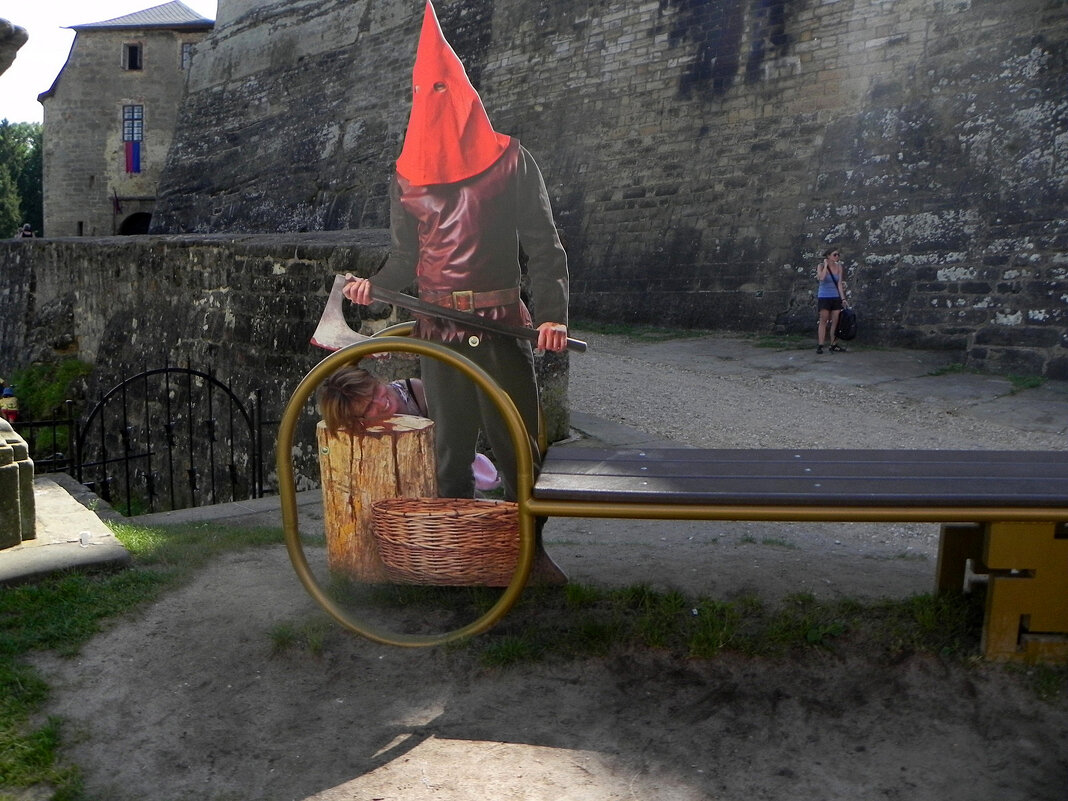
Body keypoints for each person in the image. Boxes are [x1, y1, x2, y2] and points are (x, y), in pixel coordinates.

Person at [342, 0, 568, 503]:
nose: (435, 99)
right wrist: (373, 288)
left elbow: (543, 245)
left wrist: (553, 317)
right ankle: (460, 559)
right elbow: (406, 257)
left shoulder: (511, 160)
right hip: (439, 329)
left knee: (518, 448)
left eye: (442, 87)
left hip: (500, 322)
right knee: (450, 452)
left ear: (464, 91)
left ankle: (528, 555)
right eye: (426, 91)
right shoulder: (405, 177)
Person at [317, 365, 499, 491]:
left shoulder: (415, 392)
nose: (381, 402)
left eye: (374, 391)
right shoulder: (361, 434)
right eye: (368, 407)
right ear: (355, 420)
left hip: (439, 479)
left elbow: (451, 444)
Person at [816, 247, 847, 353]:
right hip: (824, 296)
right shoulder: (820, 266)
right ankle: (820, 345)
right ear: (828, 256)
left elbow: (839, 284)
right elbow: (822, 278)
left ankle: (833, 344)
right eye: (835, 255)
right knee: (823, 320)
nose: (837, 257)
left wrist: (843, 298)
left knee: (835, 321)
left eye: (838, 255)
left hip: (835, 296)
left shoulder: (839, 267)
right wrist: (825, 265)